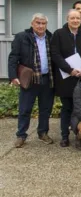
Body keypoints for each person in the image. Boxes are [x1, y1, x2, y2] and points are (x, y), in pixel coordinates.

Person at [9, 13, 55, 148]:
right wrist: (13, 76)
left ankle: (43, 133)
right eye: (38, 23)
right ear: (32, 24)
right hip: (30, 79)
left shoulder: (51, 38)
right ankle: (21, 135)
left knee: (45, 109)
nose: (41, 26)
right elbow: (13, 58)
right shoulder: (21, 37)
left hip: (47, 79)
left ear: (46, 25)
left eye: (43, 23)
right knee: (25, 108)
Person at [51, 9, 81, 147]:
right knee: (67, 108)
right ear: (67, 19)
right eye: (72, 18)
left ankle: (80, 135)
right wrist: (69, 70)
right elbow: (55, 54)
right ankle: (65, 136)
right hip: (66, 77)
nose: (75, 21)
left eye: (78, 18)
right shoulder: (59, 34)